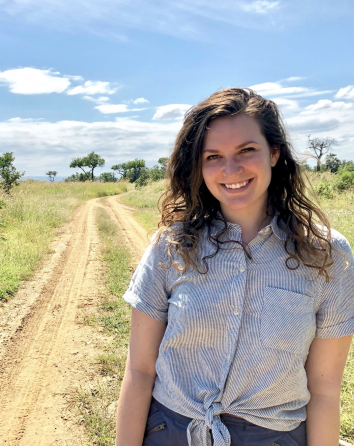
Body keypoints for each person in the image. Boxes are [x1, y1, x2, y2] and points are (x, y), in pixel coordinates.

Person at [116, 88, 354, 446]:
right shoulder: (171, 247)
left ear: (274, 153)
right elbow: (139, 371)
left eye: (246, 150)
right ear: (198, 165)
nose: (231, 169)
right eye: (213, 156)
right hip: (172, 433)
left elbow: (323, 390)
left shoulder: (326, 255)